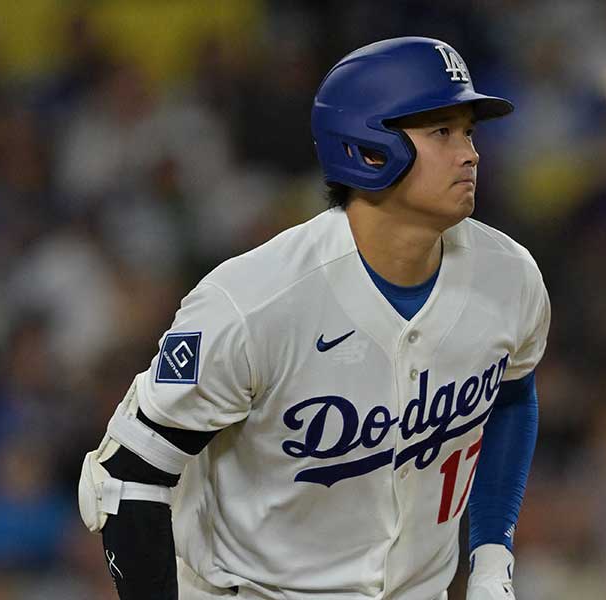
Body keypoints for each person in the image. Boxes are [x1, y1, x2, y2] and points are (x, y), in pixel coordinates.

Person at [78, 36, 550, 600]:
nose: (470, 153)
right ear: (368, 148)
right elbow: (129, 474)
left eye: (469, 131)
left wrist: (492, 560)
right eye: (441, 132)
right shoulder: (253, 302)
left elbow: (512, 395)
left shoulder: (509, 276)